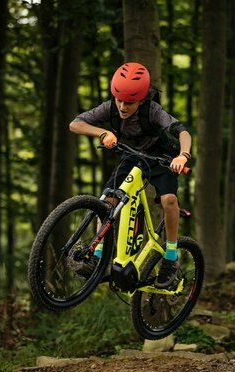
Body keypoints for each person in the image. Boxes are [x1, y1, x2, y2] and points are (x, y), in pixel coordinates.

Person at [69, 62, 192, 289]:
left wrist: (183, 156)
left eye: (129, 102)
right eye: (119, 100)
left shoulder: (153, 111)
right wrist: (102, 132)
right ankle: (97, 255)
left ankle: (171, 255)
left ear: (142, 100)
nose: (123, 106)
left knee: (169, 200)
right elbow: (75, 124)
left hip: (160, 156)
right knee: (108, 200)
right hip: (131, 155)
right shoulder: (110, 108)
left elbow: (182, 132)